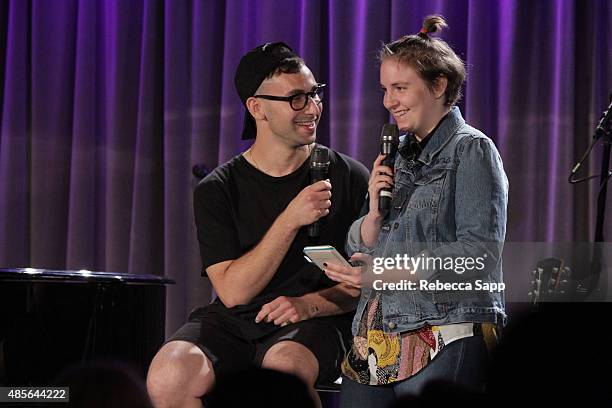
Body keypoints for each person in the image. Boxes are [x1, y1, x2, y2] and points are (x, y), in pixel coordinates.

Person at [146, 42, 369, 408]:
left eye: (315, 94)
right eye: (297, 98)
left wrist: (309, 304)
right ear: (257, 108)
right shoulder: (218, 189)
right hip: (236, 320)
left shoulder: (347, 176)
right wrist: (290, 219)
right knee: (169, 375)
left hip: (316, 319)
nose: (313, 108)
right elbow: (233, 293)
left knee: (283, 371)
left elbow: (366, 284)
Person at [323, 15, 509, 407]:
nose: (389, 101)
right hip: (375, 334)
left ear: (438, 85)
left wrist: (388, 270)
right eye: (385, 89)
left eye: (401, 88)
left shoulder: (470, 150)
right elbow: (361, 242)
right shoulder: (398, 155)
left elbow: (479, 254)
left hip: (442, 329)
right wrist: (373, 214)